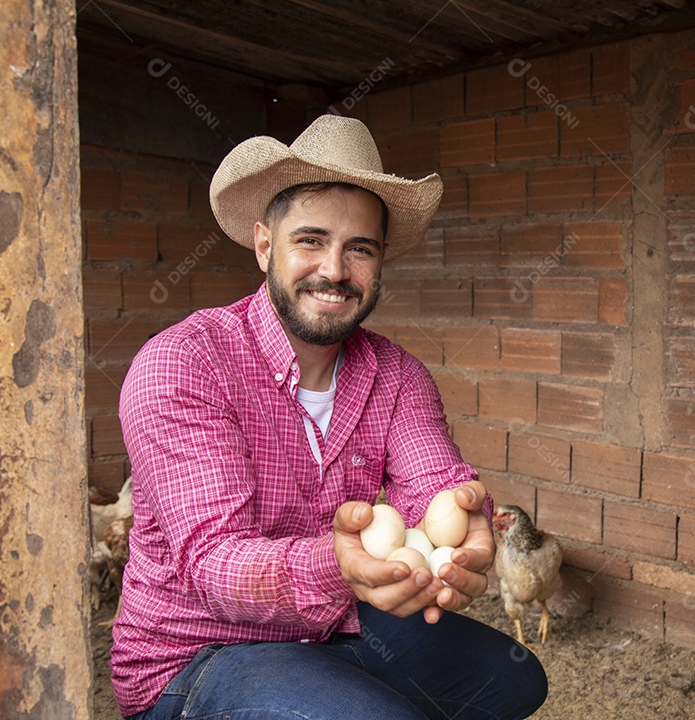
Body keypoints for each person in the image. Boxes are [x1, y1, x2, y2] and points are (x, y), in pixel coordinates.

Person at [112, 114, 548, 719]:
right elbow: (215, 566)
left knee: (512, 682)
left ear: (380, 259)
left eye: (359, 249)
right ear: (266, 244)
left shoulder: (398, 376)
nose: (335, 270)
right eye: (311, 240)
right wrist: (339, 567)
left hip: (334, 630)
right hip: (196, 651)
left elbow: (435, 486)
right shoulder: (184, 363)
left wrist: (464, 529)